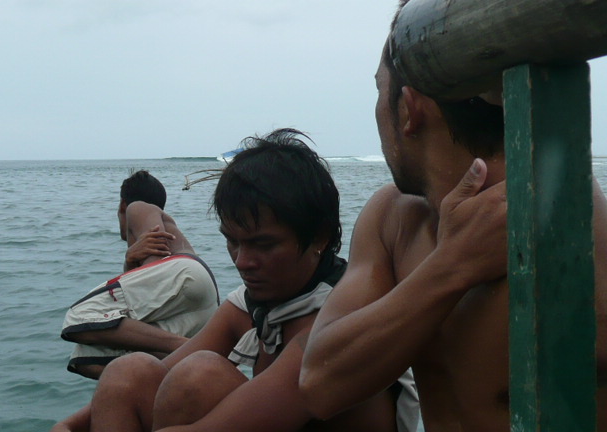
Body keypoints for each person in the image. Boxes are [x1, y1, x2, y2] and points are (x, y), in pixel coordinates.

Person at [299, 0, 607, 431]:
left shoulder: (580, 217)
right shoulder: (393, 219)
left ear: (409, 109)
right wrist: (452, 266)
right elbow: (321, 385)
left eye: (380, 90)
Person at [51, 129, 419, 432]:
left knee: (199, 378)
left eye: (264, 245)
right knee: (127, 372)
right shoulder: (251, 305)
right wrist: (71, 425)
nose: (243, 261)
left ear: (319, 237)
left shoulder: (340, 316)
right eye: (233, 241)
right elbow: (159, 371)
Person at [61, 170, 220, 379]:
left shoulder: (138, 208)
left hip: (184, 272)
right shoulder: (158, 223)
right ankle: (162, 380)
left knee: (80, 317)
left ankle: (187, 348)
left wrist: (132, 258)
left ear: (122, 205)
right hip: (201, 303)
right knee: (85, 356)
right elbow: (142, 303)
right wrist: (129, 260)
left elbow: (155, 267)